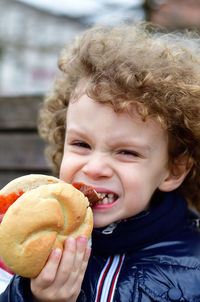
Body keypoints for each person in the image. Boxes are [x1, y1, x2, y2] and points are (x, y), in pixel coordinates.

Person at [1, 22, 200, 302]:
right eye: (81, 144)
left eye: (127, 152)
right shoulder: (38, 248)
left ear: (173, 170)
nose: (94, 168)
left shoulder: (193, 273)